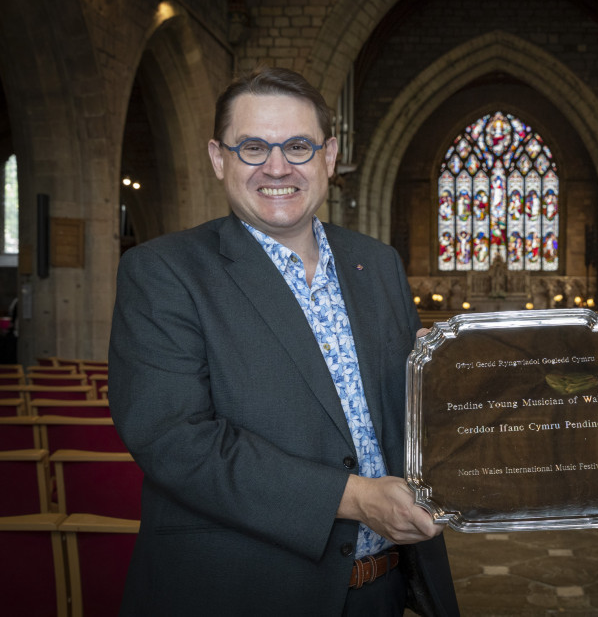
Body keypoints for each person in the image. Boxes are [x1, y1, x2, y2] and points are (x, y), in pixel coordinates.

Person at [108, 66, 459, 616]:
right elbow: (174, 439)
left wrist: (578, 363)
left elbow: (416, 403)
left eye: (298, 145)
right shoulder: (163, 272)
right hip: (244, 590)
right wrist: (356, 499)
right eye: (252, 147)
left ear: (329, 155)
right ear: (219, 157)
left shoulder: (378, 264)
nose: (277, 167)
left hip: (384, 589)